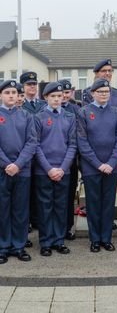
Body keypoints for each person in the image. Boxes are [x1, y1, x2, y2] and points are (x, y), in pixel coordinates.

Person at [77, 79, 117, 252]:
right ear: (92, 93)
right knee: (93, 203)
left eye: (106, 91)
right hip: (91, 167)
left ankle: (106, 238)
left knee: (108, 202)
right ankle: (95, 239)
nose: (104, 94)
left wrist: (111, 163)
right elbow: (82, 141)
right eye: (100, 91)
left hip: (111, 166)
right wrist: (98, 164)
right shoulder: (84, 112)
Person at [34, 82, 77, 257]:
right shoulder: (38, 117)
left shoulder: (69, 117)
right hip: (44, 170)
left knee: (61, 206)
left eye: (59, 96)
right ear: (46, 98)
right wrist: (49, 169)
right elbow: (35, 145)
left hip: (63, 170)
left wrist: (62, 168)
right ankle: (46, 241)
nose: (57, 99)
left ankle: (59, 240)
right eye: (53, 96)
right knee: (45, 206)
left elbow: (72, 145)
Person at [0, 80, 37, 264]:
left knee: (21, 210)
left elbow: (32, 142)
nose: (12, 95)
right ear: (1, 95)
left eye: (14, 92)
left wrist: (18, 164)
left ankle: (19, 246)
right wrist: (7, 164)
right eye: (7, 92)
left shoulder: (26, 116)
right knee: (3, 209)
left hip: (22, 171)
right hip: (2, 170)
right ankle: (3, 246)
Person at [20, 71, 46, 245]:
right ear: (23, 87)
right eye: (29, 84)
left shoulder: (43, 104)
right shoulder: (19, 105)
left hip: (43, 156)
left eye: (34, 84)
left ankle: (37, 220)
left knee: (40, 191)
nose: (32, 87)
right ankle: (27, 223)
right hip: (27, 157)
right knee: (26, 193)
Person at [60, 79, 81, 240]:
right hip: (53, 161)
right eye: (62, 93)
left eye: (67, 93)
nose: (65, 96)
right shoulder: (52, 108)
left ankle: (67, 226)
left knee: (68, 196)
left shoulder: (77, 109)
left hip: (72, 161)